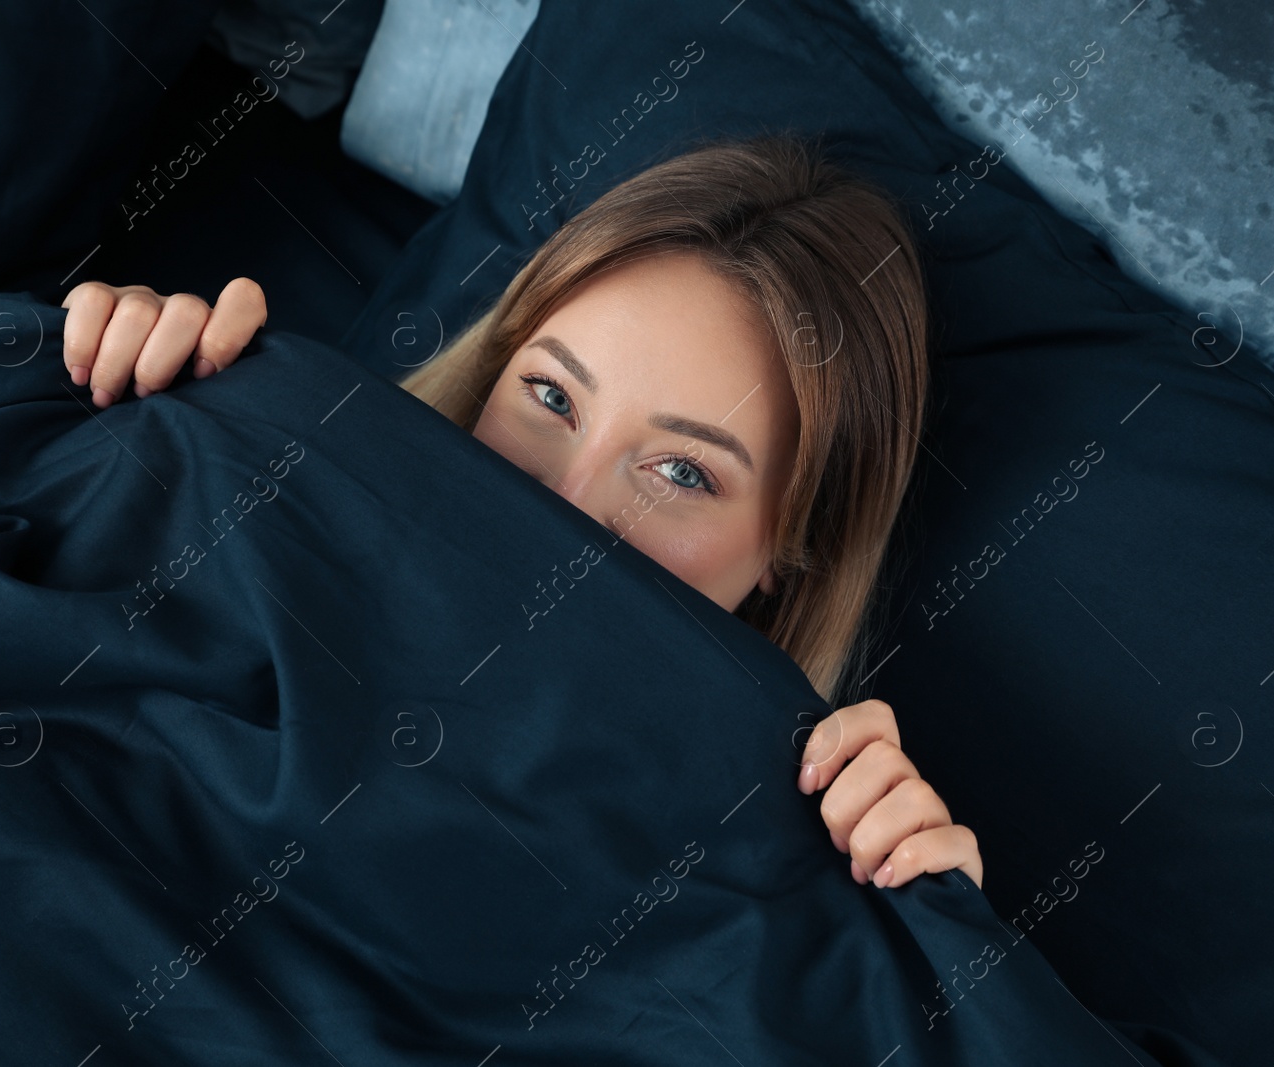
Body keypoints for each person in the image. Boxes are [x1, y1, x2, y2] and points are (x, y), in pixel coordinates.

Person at [59, 136, 984, 893]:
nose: (566, 501)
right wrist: (111, 400)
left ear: (794, 548)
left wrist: (924, 949)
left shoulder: (773, 870)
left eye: (681, 471)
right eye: (550, 396)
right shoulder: (270, 501)